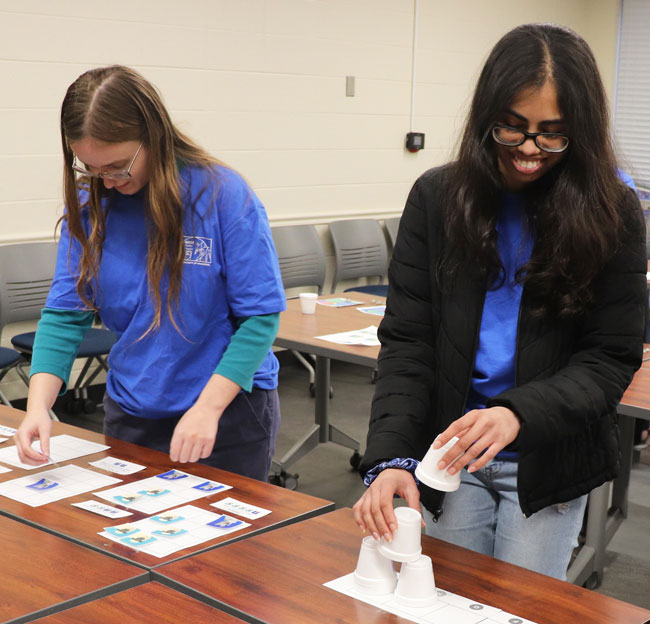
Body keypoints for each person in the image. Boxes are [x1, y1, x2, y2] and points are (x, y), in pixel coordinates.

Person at [353, 23, 646, 580]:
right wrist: (390, 457)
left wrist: (517, 413)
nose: (530, 150)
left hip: (546, 461)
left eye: (552, 135)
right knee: (446, 600)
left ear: (580, 134)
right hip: (450, 454)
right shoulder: (438, 199)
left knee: (520, 606)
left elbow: (610, 358)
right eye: (512, 130)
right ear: (486, 118)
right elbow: (409, 343)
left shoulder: (613, 212)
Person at [14, 66, 286, 481]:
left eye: (120, 166)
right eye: (92, 168)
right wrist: (37, 407)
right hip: (133, 410)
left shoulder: (223, 195)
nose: (108, 180)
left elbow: (260, 317)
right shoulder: (92, 209)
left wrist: (208, 408)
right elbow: (65, 316)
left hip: (225, 413)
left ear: (153, 136)